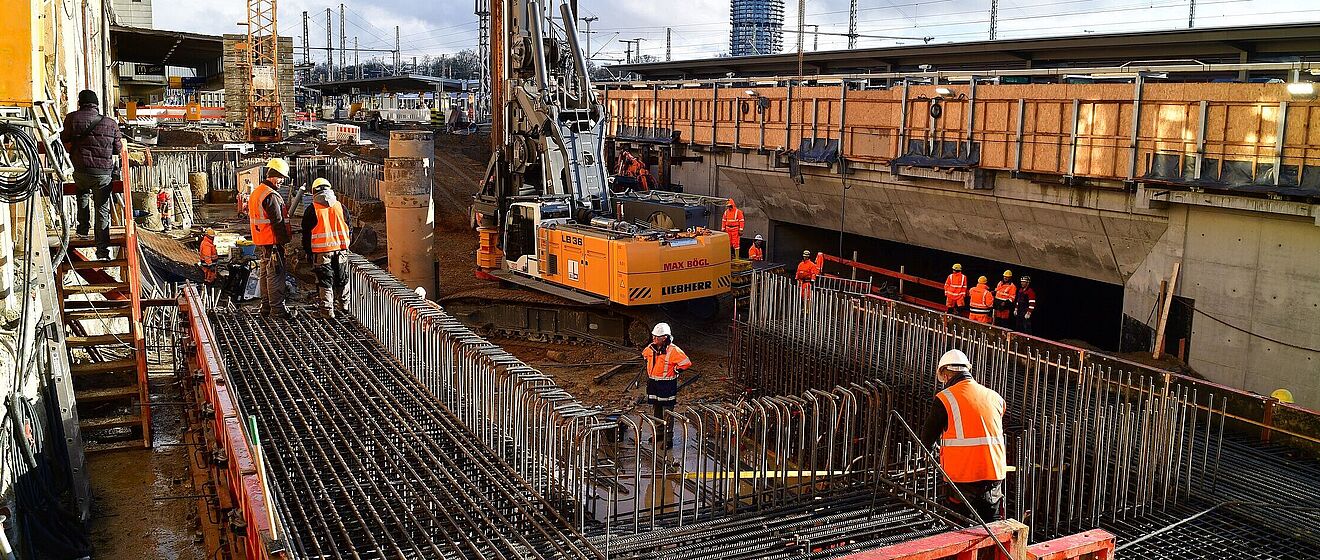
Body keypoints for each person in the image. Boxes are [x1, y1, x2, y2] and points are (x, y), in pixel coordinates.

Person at [920, 349, 1007, 522]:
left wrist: (930, 451)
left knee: (960, 527)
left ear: (945, 374)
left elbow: (927, 437)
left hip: (963, 476)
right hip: (994, 473)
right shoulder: (995, 397)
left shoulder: (945, 398)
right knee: (992, 527)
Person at [61, 89, 123, 260]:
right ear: (96, 104)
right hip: (103, 173)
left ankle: (82, 229)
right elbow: (118, 149)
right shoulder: (110, 123)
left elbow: (64, 139)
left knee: (82, 192)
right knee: (102, 209)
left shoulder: (72, 118)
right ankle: (102, 250)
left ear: (80, 103)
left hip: (81, 169)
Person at [302, 178, 353, 318]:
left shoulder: (312, 209)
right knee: (342, 278)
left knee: (325, 280)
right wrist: (346, 245)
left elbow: (306, 234)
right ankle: (344, 307)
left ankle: (326, 310)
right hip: (341, 250)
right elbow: (350, 228)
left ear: (313, 192)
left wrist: (308, 252)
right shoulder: (340, 207)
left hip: (322, 252)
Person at [249, 157, 292, 318]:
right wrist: (283, 242)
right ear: (274, 175)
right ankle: (277, 310)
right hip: (273, 241)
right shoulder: (271, 195)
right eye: (281, 177)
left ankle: (266, 307)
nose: (281, 181)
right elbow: (278, 221)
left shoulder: (258, 192)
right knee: (275, 275)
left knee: (265, 274)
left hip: (263, 241)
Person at [643, 322, 691, 449]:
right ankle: (659, 434)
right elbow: (644, 355)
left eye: (656, 337)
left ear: (664, 338)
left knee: (668, 413)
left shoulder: (673, 350)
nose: (653, 339)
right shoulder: (651, 348)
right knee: (656, 410)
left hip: (667, 385)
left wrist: (676, 370)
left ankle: (668, 438)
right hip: (653, 384)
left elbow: (686, 362)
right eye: (653, 337)